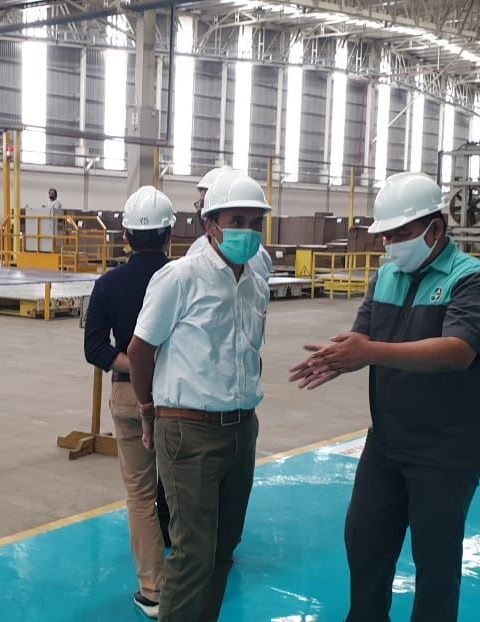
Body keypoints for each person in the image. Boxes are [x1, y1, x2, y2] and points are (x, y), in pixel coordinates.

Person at [288, 172, 480, 622]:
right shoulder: (386, 276)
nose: (390, 244)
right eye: (385, 235)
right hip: (387, 443)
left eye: (401, 234)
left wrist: (368, 352)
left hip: (447, 449)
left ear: (435, 229)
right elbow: (364, 335)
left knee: (436, 562)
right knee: (364, 541)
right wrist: (341, 355)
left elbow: (457, 351)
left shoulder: (473, 280)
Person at [127, 172, 271, 621]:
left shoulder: (256, 283)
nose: (248, 231)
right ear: (211, 225)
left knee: (223, 550)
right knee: (193, 554)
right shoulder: (180, 277)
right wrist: (147, 409)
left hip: (241, 429)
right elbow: (140, 350)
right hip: (189, 431)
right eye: (236, 221)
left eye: (256, 223)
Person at [83, 185, 177, 618]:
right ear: (169, 235)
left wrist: (137, 366)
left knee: (140, 495)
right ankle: (193, 577)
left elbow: (95, 349)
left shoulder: (107, 285)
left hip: (127, 395)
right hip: (181, 397)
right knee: (184, 490)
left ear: (125, 237)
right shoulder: (183, 278)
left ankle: (154, 591)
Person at [186, 166, 272, 280]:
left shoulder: (257, 258)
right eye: (202, 204)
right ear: (210, 225)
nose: (203, 211)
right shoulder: (195, 251)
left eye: (256, 223)